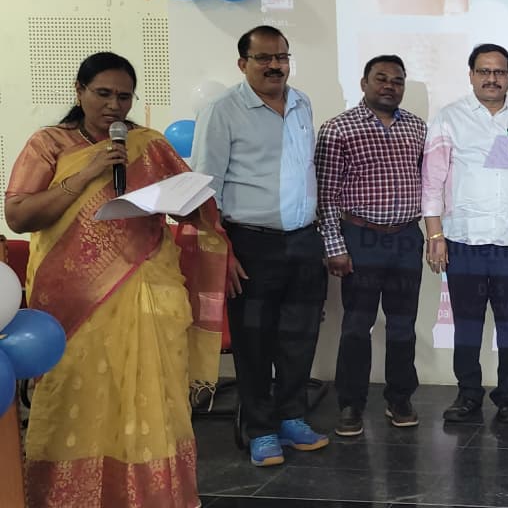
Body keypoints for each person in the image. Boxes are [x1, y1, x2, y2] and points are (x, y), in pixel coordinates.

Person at [6, 52, 228, 507]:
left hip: (148, 286)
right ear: (79, 91)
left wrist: (184, 203)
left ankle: (151, 496)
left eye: (124, 97)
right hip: (73, 300)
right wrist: (88, 173)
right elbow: (19, 215)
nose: (114, 106)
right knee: (78, 396)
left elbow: (194, 206)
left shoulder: (148, 144)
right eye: (103, 94)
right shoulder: (49, 143)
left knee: (152, 396)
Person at [192, 25, 330, 466]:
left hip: (303, 240)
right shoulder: (222, 110)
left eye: (282, 57)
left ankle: (292, 417)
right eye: (264, 58)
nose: (275, 66)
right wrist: (223, 251)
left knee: (299, 337)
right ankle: (260, 429)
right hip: (251, 243)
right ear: (242, 63)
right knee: (254, 342)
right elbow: (206, 188)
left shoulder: (302, 103)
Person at [423, 44, 508, 424]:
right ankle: (467, 394)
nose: (491, 78)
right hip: (464, 241)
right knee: (467, 325)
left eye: (499, 72)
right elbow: (432, 181)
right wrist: (435, 236)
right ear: (471, 75)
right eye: (484, 71)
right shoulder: (449, 118)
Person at [316, 54, 428, 437]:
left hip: (406, 237)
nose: (389, 86)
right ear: (364, 83)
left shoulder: (417, 128)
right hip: (360, 238)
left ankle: (400, 398)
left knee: (403, 326)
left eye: (397, 81)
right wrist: (334, 245)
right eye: (381, 78)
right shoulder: (338, 129)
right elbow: (326, 194)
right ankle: (351, 403)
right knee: (356, 325)